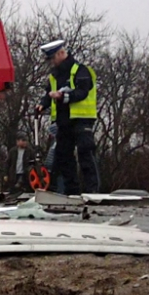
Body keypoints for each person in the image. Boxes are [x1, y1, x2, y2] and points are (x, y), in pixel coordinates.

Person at [35, 40, 99, 195]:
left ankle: (92, 191)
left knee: (85, 153)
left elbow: (82, 91)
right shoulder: (54, 76)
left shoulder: (81, 70)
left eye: (52, 59)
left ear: (61, 54)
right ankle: (72, 192)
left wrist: (63, 96)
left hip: (82, 118)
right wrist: (42, 104)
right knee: (64, 156)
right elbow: (48, 94)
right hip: (64, 121)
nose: (51, 62)